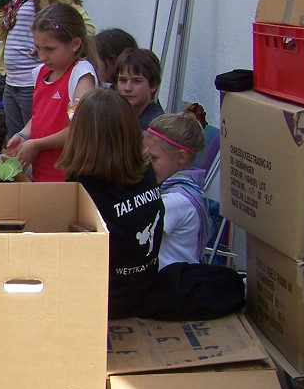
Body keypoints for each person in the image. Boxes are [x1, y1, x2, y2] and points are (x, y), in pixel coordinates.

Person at [57, 88, 163, 319]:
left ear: (80, 135)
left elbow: (71, 257)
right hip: (145, 288)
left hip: (108, 301)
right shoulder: (145, 169)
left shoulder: (83, 186)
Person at [0, 0, 94, 138]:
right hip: (12, 82)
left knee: (38, 141)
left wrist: (44, 47)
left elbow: (84, 26)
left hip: (33, 84)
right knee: (18, 145)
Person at [4, 3, 97, 182]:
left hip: (68, 179)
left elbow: (78, 127)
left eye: (50, 49)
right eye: (38, 48)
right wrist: (24, 134)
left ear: (75, 44)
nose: (42, 56)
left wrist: (38, 144)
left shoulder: (80, 75)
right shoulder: (41, 72)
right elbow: (41, 115)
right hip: (43, 174)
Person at [144, 109, 212, 267]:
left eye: (154, 158)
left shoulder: (176, 201)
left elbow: (138, 229)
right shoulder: (188, 188)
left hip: (171, 285)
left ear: (181, 157)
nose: (147, 164)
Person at [114, 47, 165, 128]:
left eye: (137, 81)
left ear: (153, 85)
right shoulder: (120, 117)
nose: (128, 88)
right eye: (122, 80)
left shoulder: (155, 129)